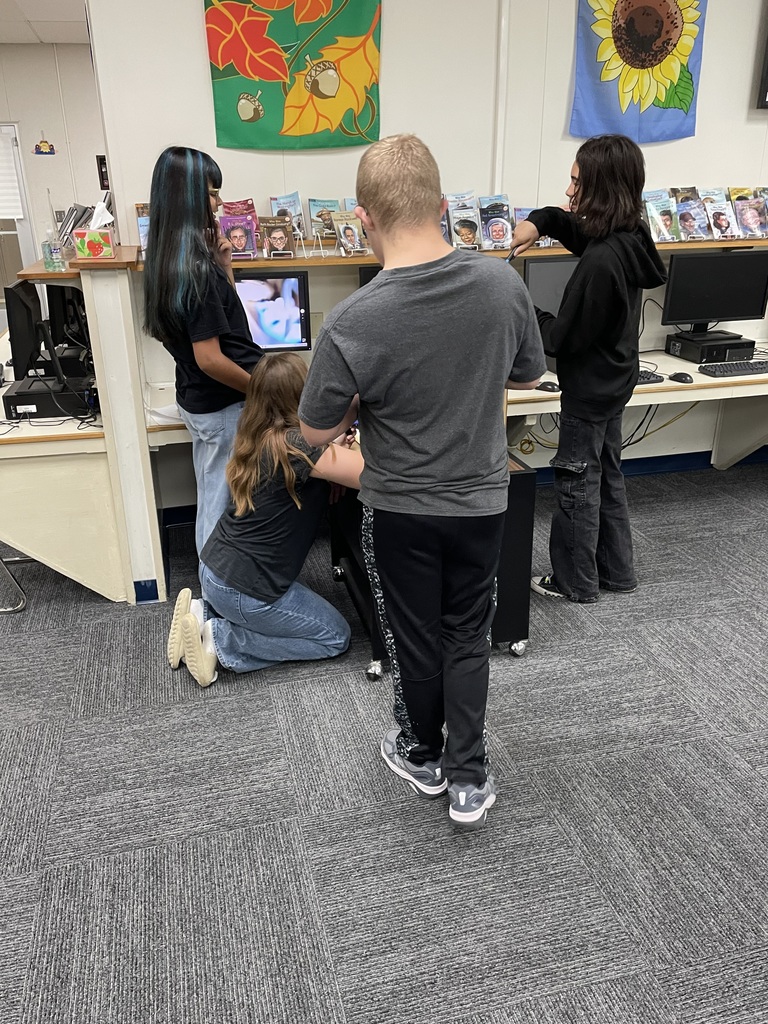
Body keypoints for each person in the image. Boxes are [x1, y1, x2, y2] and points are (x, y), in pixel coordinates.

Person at [298, 134, 546, 828]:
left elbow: (314, 433)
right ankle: (469, 778)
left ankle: (423, 755)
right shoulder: (502, 284)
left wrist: (359, 402)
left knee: (415, 637)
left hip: (400, 509)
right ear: (441, 206)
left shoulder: (353, 320)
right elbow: (529, 374)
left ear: (362, 219)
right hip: (481, 501)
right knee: (468, 633)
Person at [511, 134, 666, 604]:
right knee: (607, 477)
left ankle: (575, 582)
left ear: (600, 188)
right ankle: (617, 573)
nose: (569, 191)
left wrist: (519, 304)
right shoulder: (629, 236)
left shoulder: (600, 262)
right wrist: (538, 223)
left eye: (577, 182)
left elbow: (561, 339)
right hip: (615, 382)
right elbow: (572, 227)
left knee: (577, 484)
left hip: (589, 391)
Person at [168, 353, 364, 687]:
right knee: (334, 636)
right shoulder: (300, 448)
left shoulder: (257, 434)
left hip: (215, 571)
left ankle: (202, 613)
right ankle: (219, 639)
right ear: (304, 396)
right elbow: (367, 474)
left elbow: (316, 445)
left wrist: (342, 428)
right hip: (243, 591)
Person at [143, 146, 263, 557]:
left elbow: (228, 326)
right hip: (223, 404)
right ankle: (214, 589)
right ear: (189, 197)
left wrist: (224, 265)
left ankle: (217, 582)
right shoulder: (196, 272)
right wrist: (263, 389)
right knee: (219, 502)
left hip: (201, 399)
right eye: (212, 194)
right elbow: (210, 358)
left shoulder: (171, 262)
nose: (219, 203)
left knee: (215, 489)